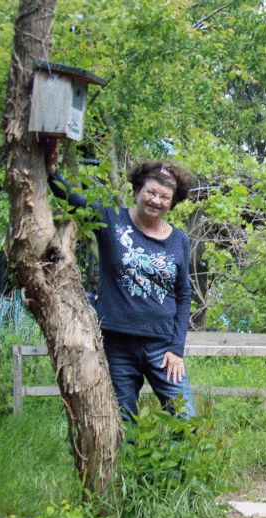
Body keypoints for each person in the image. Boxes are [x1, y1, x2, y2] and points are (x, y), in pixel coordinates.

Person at [44, 142, 196, 421]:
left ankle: (181, 467)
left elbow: (184, 295)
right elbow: (73, 201)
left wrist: (177, 349)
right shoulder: (112, 220)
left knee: (184, 418)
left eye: (164, 196)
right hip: (117, 344)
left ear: (172, 203)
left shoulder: (179, 240)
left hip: (163, 347)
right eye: (150, 192)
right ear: (138, 191)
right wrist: (52, 173)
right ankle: (130, 466)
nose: (155, 200)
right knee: (123, 421)